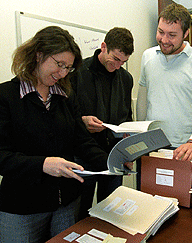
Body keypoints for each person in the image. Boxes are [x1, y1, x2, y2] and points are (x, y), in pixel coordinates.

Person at [0, 26, 111, 242]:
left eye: (68, 68)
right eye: (59, 64)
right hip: (22, 210)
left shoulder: (65, 97)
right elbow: (2, 156)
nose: (62, 73)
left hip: (67, 205)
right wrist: (43, 164)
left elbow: (82, 141)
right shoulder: (6, 97)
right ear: (38, 54)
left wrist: (112, 162)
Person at [137, 3, 192, 164]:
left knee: (179, 190)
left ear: (186, 33)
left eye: (172, 35)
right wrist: (139, 134)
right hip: (150, 144)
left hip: (182, 147)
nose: (164, 40)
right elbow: (142, 101)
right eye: (160, 32)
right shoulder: (147, 57)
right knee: (145, 189)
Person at [70, 27, 134, 220]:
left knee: (111, 212)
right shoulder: (77, 73)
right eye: (115, 59)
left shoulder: (126, 78)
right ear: (103, 46)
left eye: (123, 62)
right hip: (83, 156)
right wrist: (82, 121)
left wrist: (128, 146)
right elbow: (64, 116)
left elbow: (127, 117)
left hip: (113, 155)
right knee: (81, 212)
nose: (118, 65)